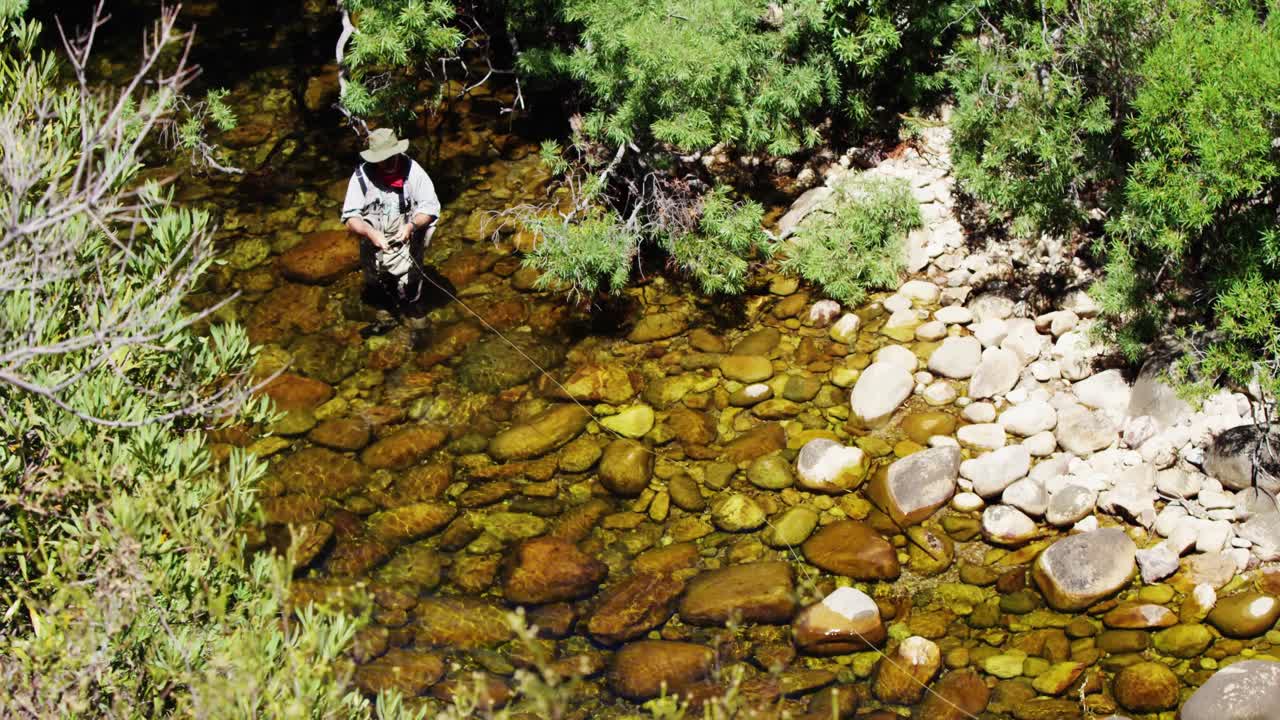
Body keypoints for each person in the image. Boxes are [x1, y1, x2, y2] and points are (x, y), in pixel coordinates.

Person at [341, 127, 441, 335]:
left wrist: (411, 226)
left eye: (390, 158)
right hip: (373, 238)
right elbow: (350, 218)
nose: (386, 163)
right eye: (381, 159)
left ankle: (414, 312)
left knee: (411, 283)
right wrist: (370, 233)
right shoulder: (361, 176)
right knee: (375, 280)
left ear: (397, 152)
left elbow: (431, 209)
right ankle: (386, 314)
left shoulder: (414, 172)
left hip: (408, 236)